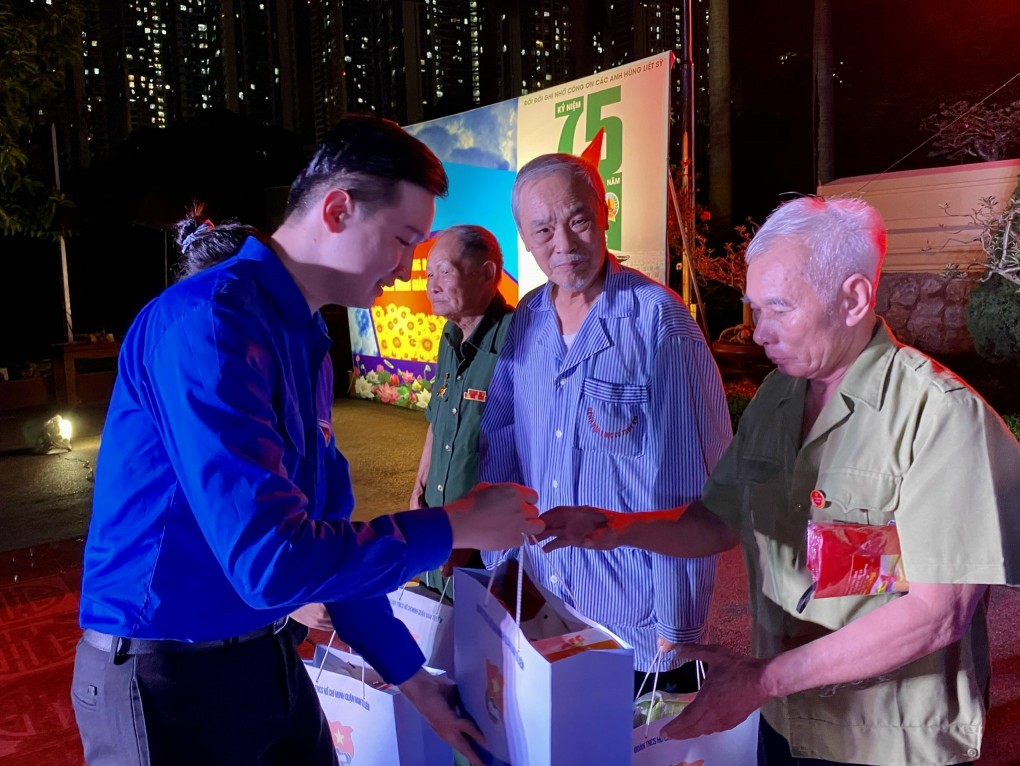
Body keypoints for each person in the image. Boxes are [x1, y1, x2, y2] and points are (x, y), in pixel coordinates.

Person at [71, 115, 542, 766]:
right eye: (403, 240)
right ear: (338, 209)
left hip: (263, 654)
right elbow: (273, 562)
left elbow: (323, 531)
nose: (408, 267)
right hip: (168, 677)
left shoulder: (303, 337)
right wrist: (455, 523)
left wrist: (413, 678)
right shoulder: (211, 323)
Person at [542, 196, 1020, 766]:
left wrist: (762, 680)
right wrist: (617, 528)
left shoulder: (940, 416)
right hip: (783, 721)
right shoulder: (779, 395)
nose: (758, 333)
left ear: (853, 299)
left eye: (778, 309)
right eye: (754, 309)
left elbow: (937, 614)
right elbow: (717, 520)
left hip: (886, 740)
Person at [478, 153, 733, 695]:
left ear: (604, 214)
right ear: (524, 238)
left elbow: (695, 485)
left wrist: (678, 627)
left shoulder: (659, 322)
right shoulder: (528, 321)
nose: (564, 244)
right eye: (543, 230)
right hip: (544, 604)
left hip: (633, 622)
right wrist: (502, 563)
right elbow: (502, 444)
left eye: (578, 220)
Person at [410, 225, 514, 584]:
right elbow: (437, 422)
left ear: (487, 274)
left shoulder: (517, 338)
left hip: (487, 552)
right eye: (429, 274)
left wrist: (476, 528)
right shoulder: (449, 336)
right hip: (437, 534)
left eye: (445, 272)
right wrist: (418, 489)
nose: (432, 286)